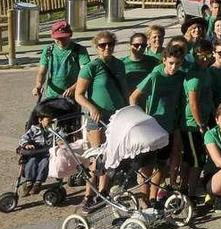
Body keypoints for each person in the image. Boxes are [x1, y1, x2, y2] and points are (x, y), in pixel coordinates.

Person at [74, 31, 128, 212]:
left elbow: (125, 91)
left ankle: (103, 191)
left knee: (110, 155)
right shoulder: (91, 67)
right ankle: (89, 193)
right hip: (97, 117)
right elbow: (79, 95)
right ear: (96, 47)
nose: (107, 48)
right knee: (96, 156)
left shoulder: (120, 65)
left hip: (116, 116)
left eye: (110, 44)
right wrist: (92, 108)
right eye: (102, 45)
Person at [129, 45, 186, 208]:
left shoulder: (181, 76)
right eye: (170, 63)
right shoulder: (155, 75)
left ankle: (153, 198)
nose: (173, 67)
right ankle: (143, 199)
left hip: (169, 126)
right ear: (164, 61)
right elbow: (133, 97)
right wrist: (138, 120)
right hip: (152, 127)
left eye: (177, 63)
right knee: (146, 166)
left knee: (161, 164)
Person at [181, 40, 216, 197]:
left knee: (192, 158)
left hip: (206, 117)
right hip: (192, 124)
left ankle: (187, 188)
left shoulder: (205, 71)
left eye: (208, 56)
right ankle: (191, 193)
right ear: (195, 55)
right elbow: (193, 104)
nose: (205, 59)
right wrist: (201, 124)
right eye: (201, 56)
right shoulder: (194, 76)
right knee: (197, 160)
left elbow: (208, 96)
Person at [33, 20, 90, 100]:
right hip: (51, 96)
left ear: (70, 35)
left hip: (72, 96)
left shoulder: (79, 50)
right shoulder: (48, 50)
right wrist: (38, 85)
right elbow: (42, 72)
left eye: (64, 37)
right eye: (58, 38)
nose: (61, 41)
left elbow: (86, 74)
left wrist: (74, 88)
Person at [18, 112, 52, 195]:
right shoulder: (34, 130)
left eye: (52, 121)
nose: (50, 123)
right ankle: (29, 181)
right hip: (34, 152)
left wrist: (60, 141)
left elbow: (60, 136)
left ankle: (38, 183)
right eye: (48, 121)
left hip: (45, 153)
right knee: (32, 162)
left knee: (44, 163)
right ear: (40, 120)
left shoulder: (53, 130)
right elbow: (24, 138)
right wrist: (26, 144)